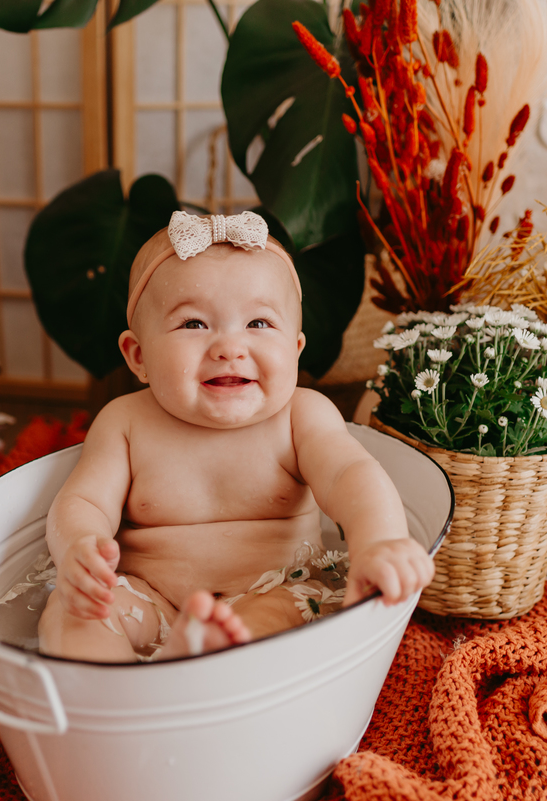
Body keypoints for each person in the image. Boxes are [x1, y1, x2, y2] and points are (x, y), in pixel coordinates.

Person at [37, 211, 434, 662]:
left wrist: (377, 543)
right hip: (150, 600)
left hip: (279, 588)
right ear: (138, 355)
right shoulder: (124, 423)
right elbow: (82, 502)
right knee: (77, 612)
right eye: (194, 324)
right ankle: (120, 693)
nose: (229, 347)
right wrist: (79, 552)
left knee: (301, 608)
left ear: (295, 350)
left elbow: (352, 475)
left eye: (259, 324)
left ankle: (201, 660)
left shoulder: (300, 417)